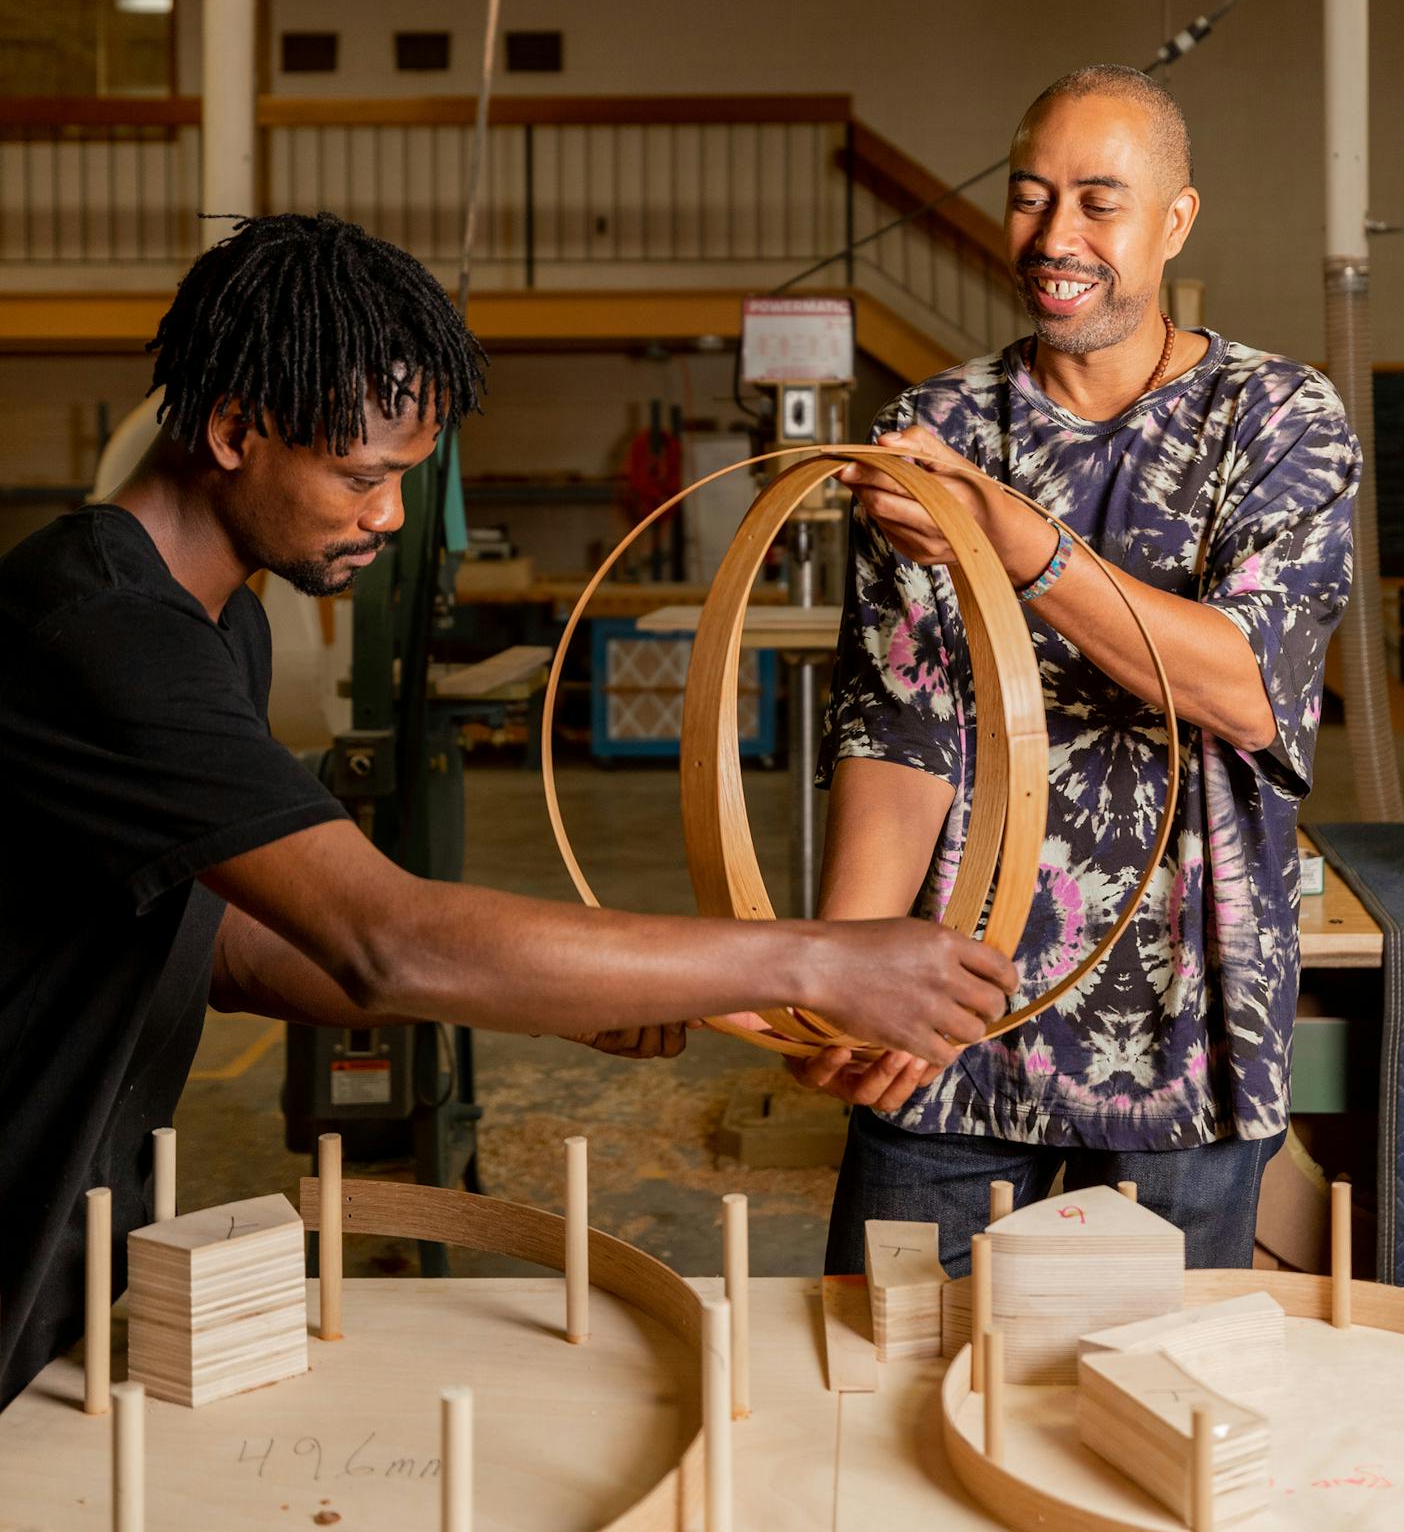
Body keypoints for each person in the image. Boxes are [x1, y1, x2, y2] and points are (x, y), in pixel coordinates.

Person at [0, 212, 1017, 1410]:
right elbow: (385, 940)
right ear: (233, 430)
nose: (386, 515)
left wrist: (580, 988)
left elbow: (237, 946)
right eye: (363, 475)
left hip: (67, 1218)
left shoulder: (218, 622)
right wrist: (819, 956)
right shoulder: (96, 632)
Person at [804, 65, 1361, 1274]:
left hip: (1183, 1036)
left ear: (1174, 219)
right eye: (1029, 197)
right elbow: (901, 729)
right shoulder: (938, 429)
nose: (1054, 238)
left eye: (1097, 202)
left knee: (1142, 1422)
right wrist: (840, 967)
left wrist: (1023, 546)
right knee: (875, 1388)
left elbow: (1241, 686)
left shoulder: (1274, 419)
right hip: (944, 1030)